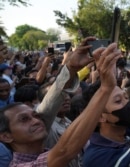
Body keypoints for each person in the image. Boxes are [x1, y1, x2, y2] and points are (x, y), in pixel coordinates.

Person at [0, 37, 121, 166]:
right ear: (6, 136)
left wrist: (71, 67)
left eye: (35, 116)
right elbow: (65, 151)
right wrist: (105, 88)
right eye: (24, 119)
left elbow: (51, 101)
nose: (36, 120)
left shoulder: (55, 129)